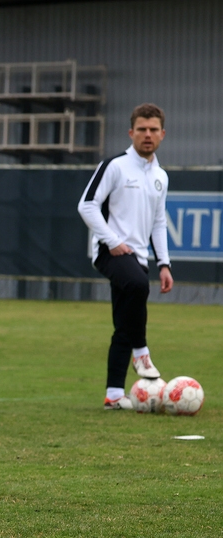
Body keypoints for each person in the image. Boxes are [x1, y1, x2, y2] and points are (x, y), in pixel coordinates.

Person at [77, 103, 173, 411]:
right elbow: (87, 205)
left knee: (124, 323)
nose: (147, 135)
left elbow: (159, 222)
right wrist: (113, 240)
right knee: (137, 286)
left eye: (153, 129)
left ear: (162, 134)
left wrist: (165, 264)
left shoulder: (161, 176)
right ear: (131, 133)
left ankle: (114, 395)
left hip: (139, 258)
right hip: (109, 252)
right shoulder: (115, 166)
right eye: (142, 129)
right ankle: (141, 352)